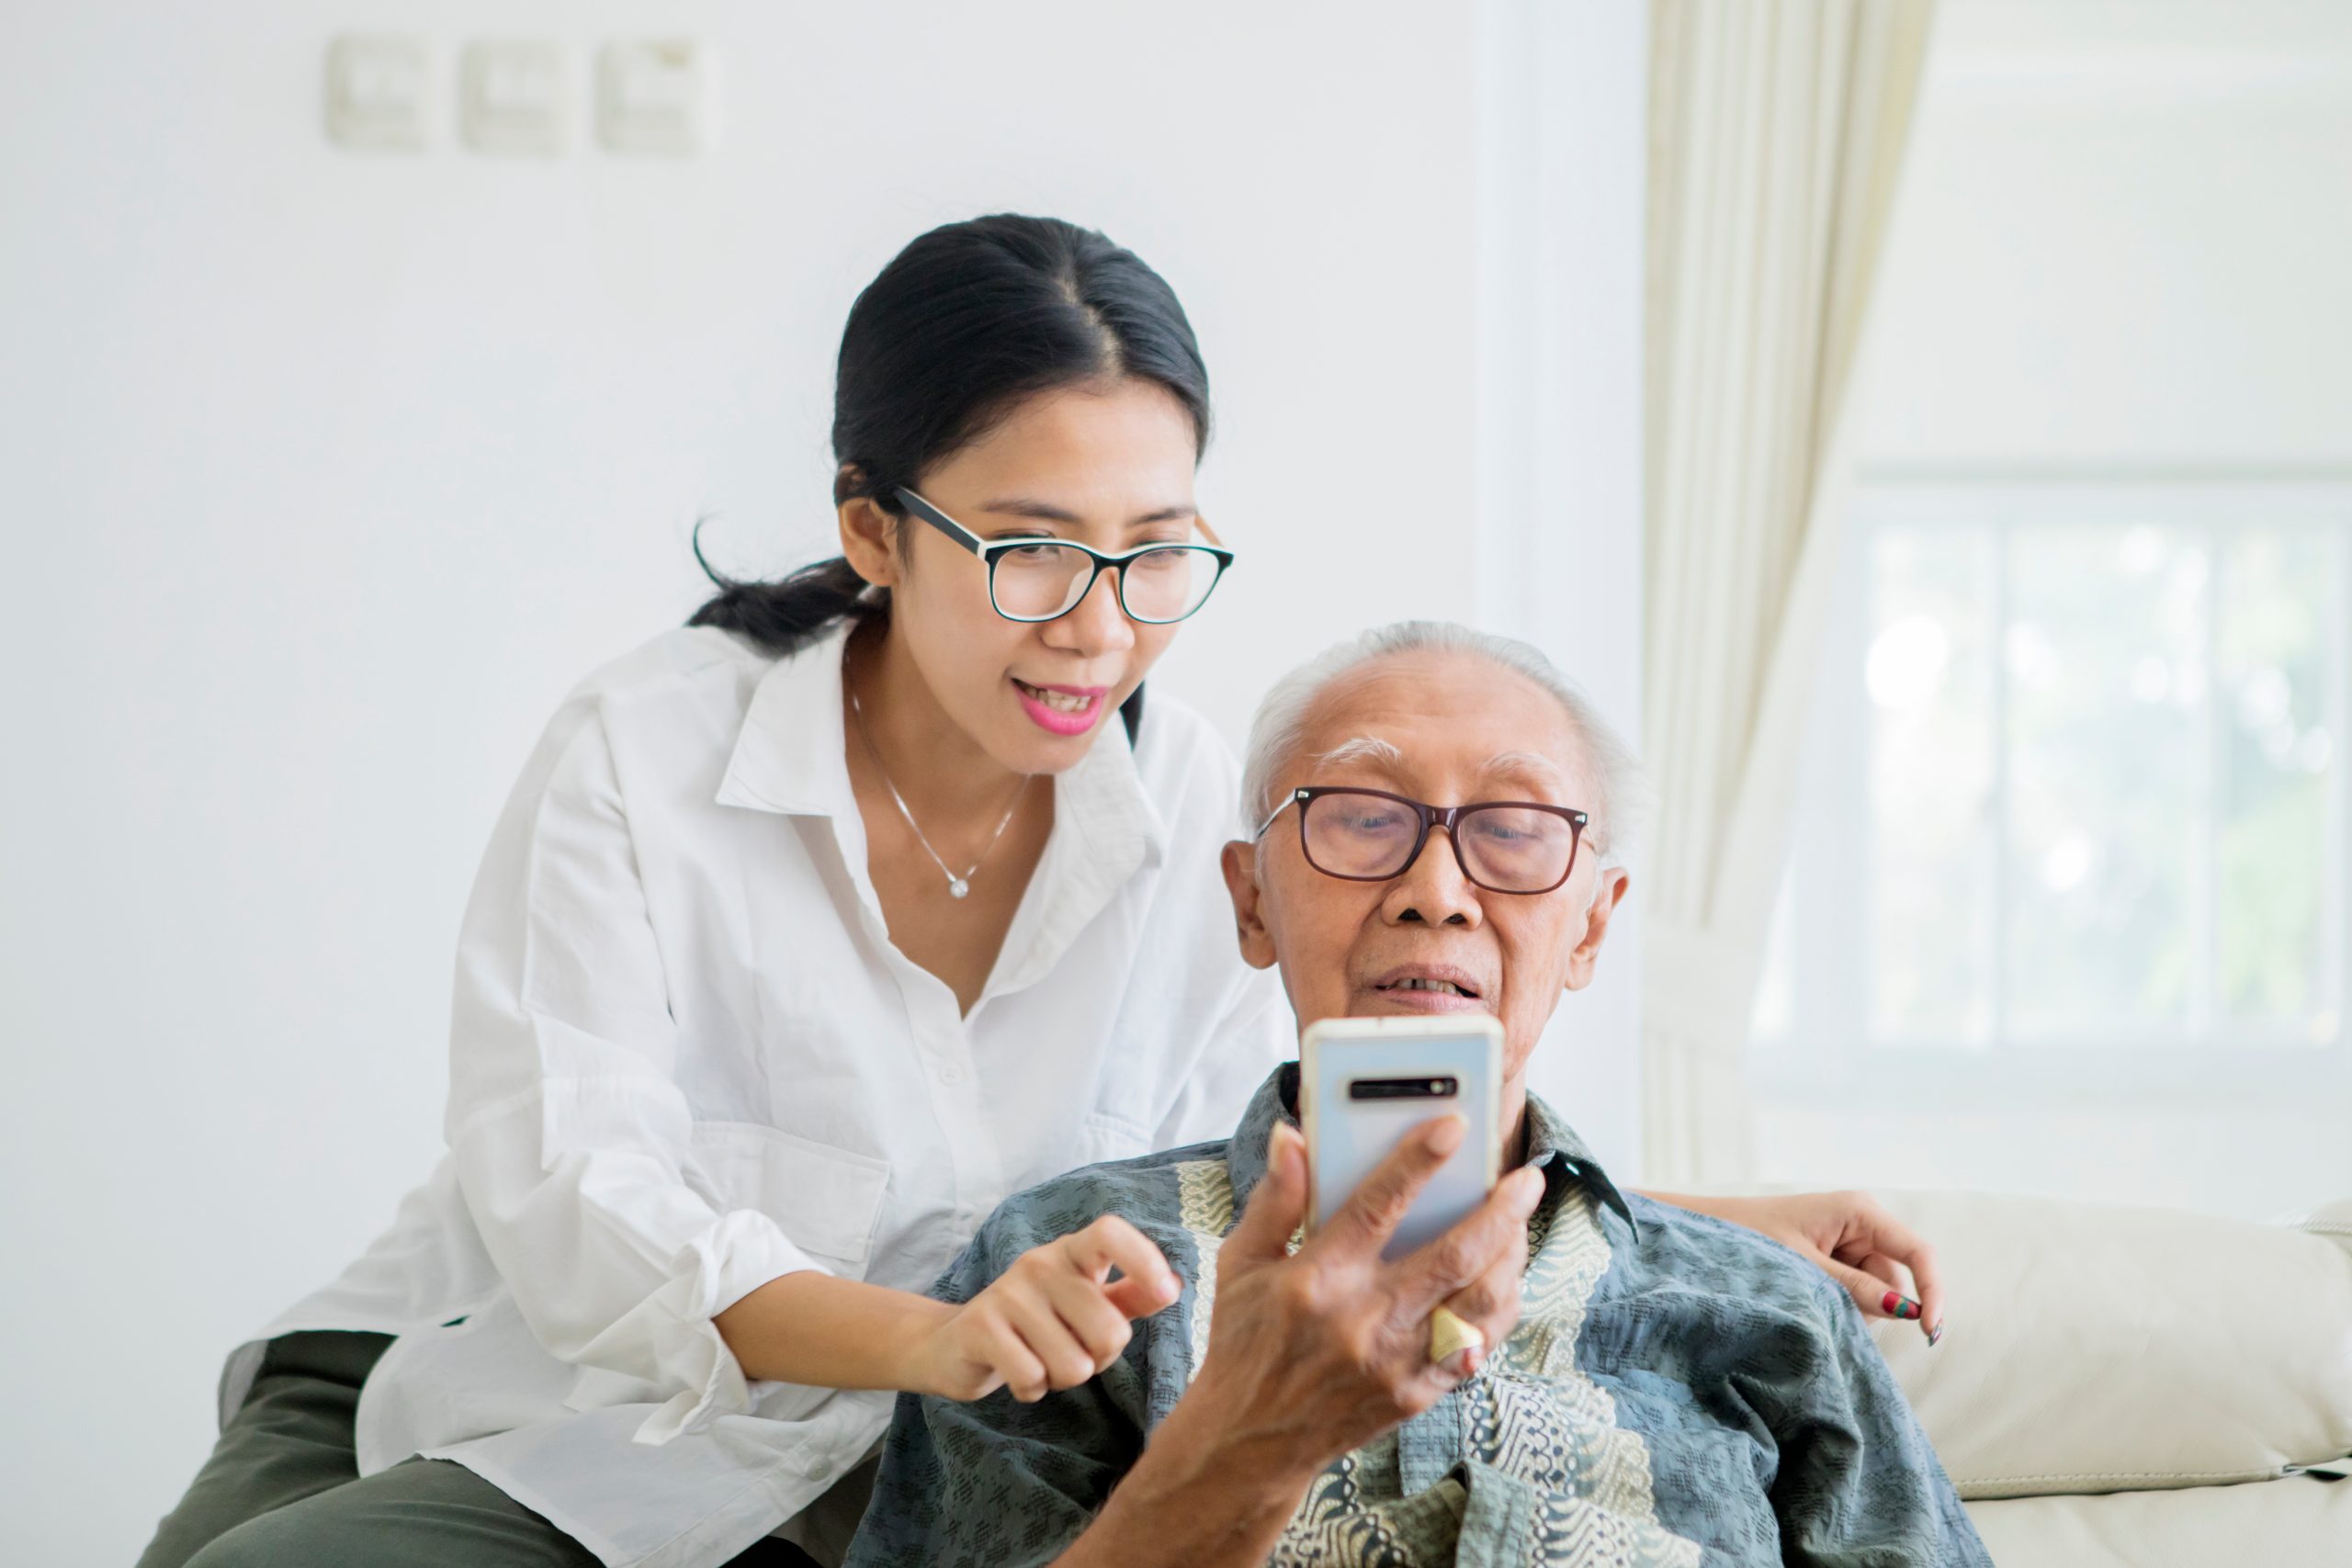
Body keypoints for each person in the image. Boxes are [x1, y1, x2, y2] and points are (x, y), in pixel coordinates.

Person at [138, 218, 1945, 1568]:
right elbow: (581, 1212)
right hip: (534, 1370)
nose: (1099, 626)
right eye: (1027, 551)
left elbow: (1293, 1136)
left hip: (895, 1442)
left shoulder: (1190, 810)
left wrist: (1699, 1218)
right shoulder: (648, 750)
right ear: (873, 528)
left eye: (1156, 555)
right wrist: (941, 1332)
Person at [845, 621, 1988, 1568]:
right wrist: (1240, 1449)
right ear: (1250, 903)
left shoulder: (1769, 1308)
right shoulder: (1070, 1268)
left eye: (1513, 830)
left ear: (1592, 924)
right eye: (1362, 819)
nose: (1434, 892)